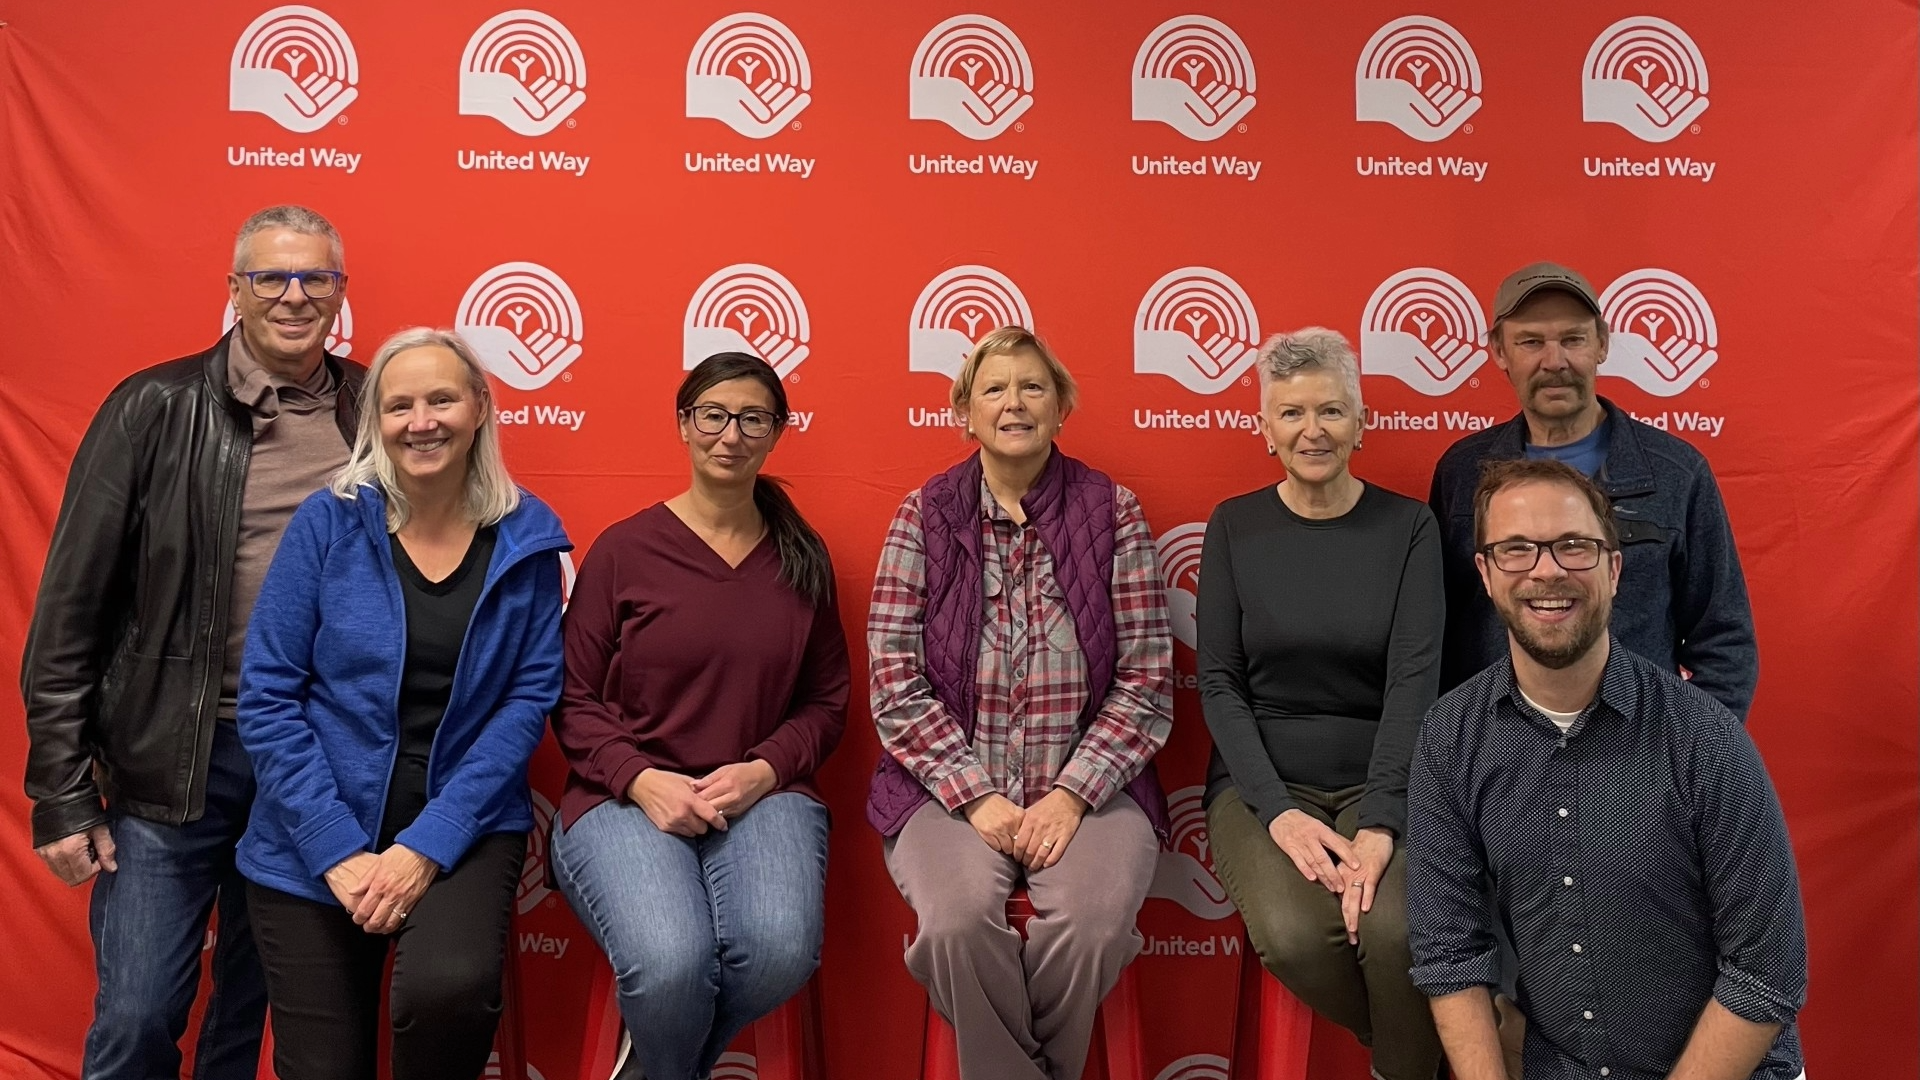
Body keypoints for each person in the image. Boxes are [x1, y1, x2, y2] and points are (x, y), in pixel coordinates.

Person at [20, 205, 362, 1080]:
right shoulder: (154, 407)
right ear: (235, 292)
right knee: (137, 1017)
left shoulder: (375, 411)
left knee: (252, 1014)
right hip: (173, 756)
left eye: (314, 278)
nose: (294, 297)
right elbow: (70, 609)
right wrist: (60, 791)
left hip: (313, 762)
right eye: (271, 278)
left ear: (339, 292)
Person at [235, 328, 570, 1080]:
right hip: (313, 826)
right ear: (375, 423)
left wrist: (429, 845)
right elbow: (268, 697)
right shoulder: (327, 524)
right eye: (399, 405)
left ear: (480, 407)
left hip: (464, 822)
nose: (422, 420)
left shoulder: (527, 539)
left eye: (442, 399)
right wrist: (336, 851)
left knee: (448, 991)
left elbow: (526, 702)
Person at [1407, 458, 1807, 1080]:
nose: (1547, 570)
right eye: (1516, 549)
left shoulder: (1706, 738)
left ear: (1614, 569)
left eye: (1574, 546)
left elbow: (1766, 976)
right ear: (1484, 573)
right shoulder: (1450, 737)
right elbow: (1449, 955)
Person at [868, 326, 1174, 1080]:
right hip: (947, 792)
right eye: (994, 389)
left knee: (1096, 927)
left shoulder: (1114, 511)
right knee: (954, 927)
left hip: (1092, 790)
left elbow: (1146, 679)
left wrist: (1071, 796)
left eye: (1033, 387)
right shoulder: (923, 513)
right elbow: (894, 680)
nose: (1014, 403)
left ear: (1061, 407)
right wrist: (977, 800)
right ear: (964, 411)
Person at [550, 352, 849, 1080]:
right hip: (624, 797)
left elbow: (826, 701)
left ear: (777, 432)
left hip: (760, 794)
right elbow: (572, 695)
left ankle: (653, 1063)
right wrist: (641, 778)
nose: (731, 434)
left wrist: (764, 769)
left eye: (753, 418)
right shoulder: (624, 550)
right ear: (684, 424)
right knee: (671, 963)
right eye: (713, 415)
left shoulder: (801, 556)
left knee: (779, 952)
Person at [1198, 328, 1444, 1080]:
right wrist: (1278, 811)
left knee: (1399, 933)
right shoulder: (1234, 526)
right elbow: (1220, 684)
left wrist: (1382, 822)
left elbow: (1415, 684)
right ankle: (1432, 1053)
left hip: (1387, 778)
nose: (1314, 430)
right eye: (1292, 413)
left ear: (1361, 424)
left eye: (1332, 411)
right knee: (1300, 938)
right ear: (1265, 429)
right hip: (1262, 786)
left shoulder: (1410, 528)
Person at [1428, 262, 1757, 717]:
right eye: (1530, 342)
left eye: (1573, 339)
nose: (1554, 361)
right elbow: (1435, 632)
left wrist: (1693, 750)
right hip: (1496, 751)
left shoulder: (1677, 473)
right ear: (1499, 352)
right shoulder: (1462, 473)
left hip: (1636, 749)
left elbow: (1725, 639)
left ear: (1601, 344)